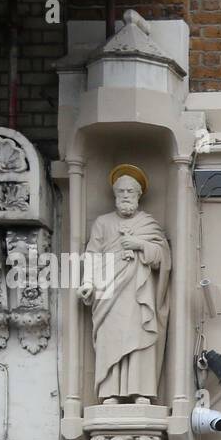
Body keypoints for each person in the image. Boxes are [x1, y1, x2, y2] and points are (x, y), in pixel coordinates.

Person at [78, 165, 172, 405]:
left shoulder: (148, 224)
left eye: (130, 191)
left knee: (140, 336)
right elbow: (92, 254)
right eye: (121, 192)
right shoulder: (102, 222)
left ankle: (141, 391)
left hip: (138, 291)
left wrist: (139, 244)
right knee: (112, 337)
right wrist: (88, 281)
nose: (126, 195)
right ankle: (110, 392)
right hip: (108, 290)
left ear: (139, 194)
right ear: (115, 195)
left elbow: (163, 257)